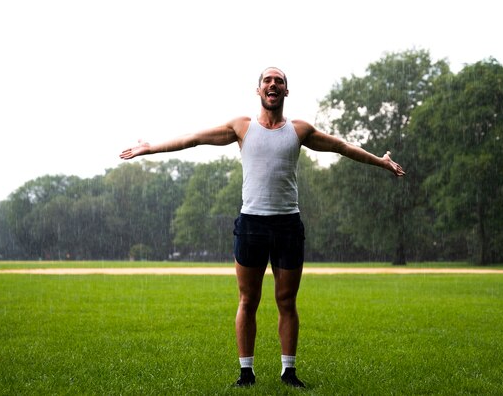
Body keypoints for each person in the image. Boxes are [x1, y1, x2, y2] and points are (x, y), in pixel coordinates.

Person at [119, 67, 405, 388]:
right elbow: (193, 139)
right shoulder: (242, 127)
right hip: (252, 224)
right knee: (248, 300)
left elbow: (342, 147)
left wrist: (380, 161)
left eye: (278, 81)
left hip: (287, 225)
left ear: (286, 91)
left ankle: (289, 372)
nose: (273, 84)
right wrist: (151, 147)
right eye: (267, 81)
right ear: (259, 91)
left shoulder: (299, 130)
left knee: (286, 301)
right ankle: (246, 373)